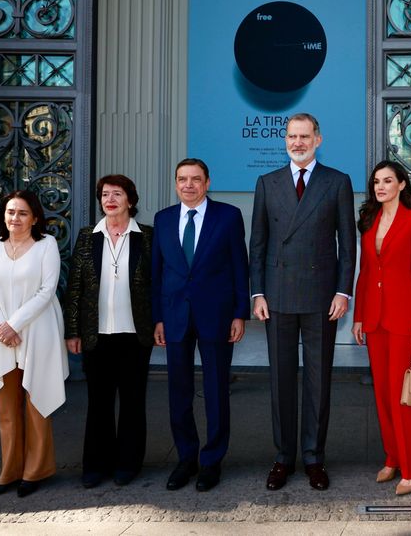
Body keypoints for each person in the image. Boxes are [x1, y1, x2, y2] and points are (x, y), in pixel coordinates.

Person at [249, 112, 357, 491]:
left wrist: (344, 292)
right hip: (276, 295)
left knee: (317, 381)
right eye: (292, 136)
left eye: (304, 136)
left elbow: (348, 242)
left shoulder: (337, 182)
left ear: (318, 139)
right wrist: (257, 292)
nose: (297, 142)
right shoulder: (267, 182)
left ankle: (314, 457)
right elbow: (258, 243)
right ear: (285, 140)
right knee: (280, 381)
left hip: (321, 296)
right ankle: (283, 458)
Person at [153, 158, 249, 492]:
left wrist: (240, 313)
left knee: (215, 390)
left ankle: (212, 460)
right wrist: (158, 318)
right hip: (175, 316)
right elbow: (157, 274)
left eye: (196, 179)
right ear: (175, 183)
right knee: (178, 392)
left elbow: (240, 266)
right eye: (182, 179)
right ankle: (186, 458)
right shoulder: (163, 219)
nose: (189, 185)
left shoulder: (228, 216)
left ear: (207, 182)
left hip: (218, 316)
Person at [0, 190, 68, 498]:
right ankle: (9, 471)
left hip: (37, 329)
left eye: (23, 213)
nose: (16, 218)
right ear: (3, 216)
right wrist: (1, 325)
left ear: (35, 217)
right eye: (11, 212)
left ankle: (35, 471)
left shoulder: (46, 245)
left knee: (37, 400)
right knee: (6, 406)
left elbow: (46, 290)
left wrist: (15, 324)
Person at [64, 175, 154, 489]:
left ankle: (128, 464)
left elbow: (158, 286)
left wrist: (159, 323)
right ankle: (95, 465)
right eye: (104, 194)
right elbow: (75, 287)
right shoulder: (88, 237)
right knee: (98, 402)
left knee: (132, 402)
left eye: (117, 194)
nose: (110, 199)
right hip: (96, 335)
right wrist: (72, 330)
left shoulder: (147, 237)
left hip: (135, 335)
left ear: (131, 199)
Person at [352, 160, 411, 497]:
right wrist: (358, 316)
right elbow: (367, 272)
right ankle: (392, 457)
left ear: (401, 184)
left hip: (403, 320)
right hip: (374, 319)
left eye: (387, 181)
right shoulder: (369, 221)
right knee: (383, 394)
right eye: (376, 182)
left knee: (404, 398)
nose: (380, 187)